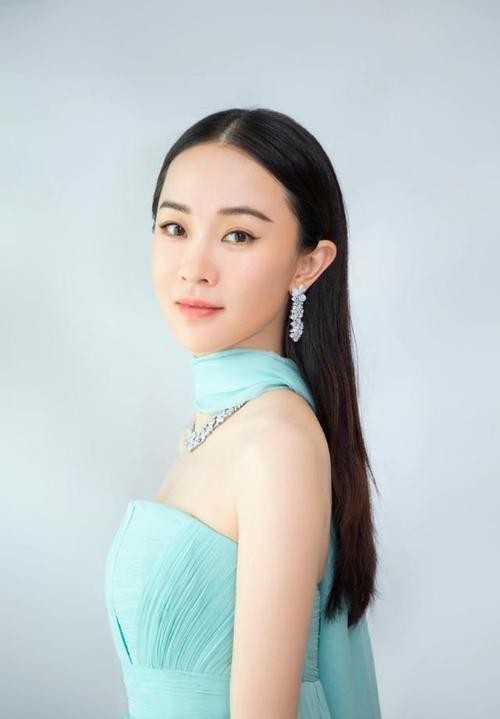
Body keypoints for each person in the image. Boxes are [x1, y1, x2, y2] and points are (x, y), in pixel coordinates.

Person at [104, 107, 382, 718]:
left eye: (238, 236)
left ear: (307, 264)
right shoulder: (219, 426)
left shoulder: (275, 441)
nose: (194, 268)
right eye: (175, 227)